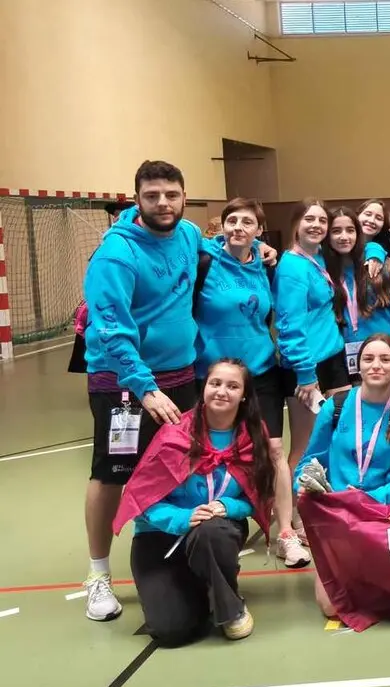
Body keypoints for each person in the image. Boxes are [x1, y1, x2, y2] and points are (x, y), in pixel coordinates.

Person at [81, 160, 204, 622]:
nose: (163, 203)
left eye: (171, 194)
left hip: (180, 373)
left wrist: (263, 251)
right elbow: (110, 330)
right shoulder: (116, 255)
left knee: (180, 463)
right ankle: (98, 575)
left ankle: (170, 553)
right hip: (124, 385)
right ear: (137, 199)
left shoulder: (189, 235)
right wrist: (144, 388)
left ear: (184, 196)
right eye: (152, 196)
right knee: (113, 472)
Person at [113, 358, 275, 645]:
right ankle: (202, 587)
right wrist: (181, 518)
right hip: (160, 538)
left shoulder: (252, 435)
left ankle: (230, 606)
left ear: (244, 394)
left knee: (212, 530)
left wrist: (229, 506)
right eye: (215, 383)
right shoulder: (174, 434)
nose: (222, 391)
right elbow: (142, 497)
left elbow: (258, 495)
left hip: (213, 533)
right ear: (204, 388)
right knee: (172, 631)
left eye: (232, 386)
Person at [194, 198, 310, 568]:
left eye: (247, 222)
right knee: (210, 453)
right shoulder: (205, 261)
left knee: (275, 452)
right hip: (215, 376)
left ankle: (285, 535)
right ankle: (207, 528)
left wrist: (265, 254)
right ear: (222, 226)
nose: (238, 227)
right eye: (232, 220)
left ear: (260, 231)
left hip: (261, 371)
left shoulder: (264, 265)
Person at [295, 334, 390, 617]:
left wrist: (363, 498)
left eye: (385, 359)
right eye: (368, 359)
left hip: (381, 514)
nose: (376, 366)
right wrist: (304, 484)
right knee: (331, 607)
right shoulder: (336, 406)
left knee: (386, 599)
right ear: (359, 365)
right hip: (336, 514)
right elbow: (310, 460)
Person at [273, 198, 352, 486]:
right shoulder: (292, 266)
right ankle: (294, 515)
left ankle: (324, 506)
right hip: (306, 366)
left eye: (321, 220)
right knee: (305, 446)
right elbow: (288, 325)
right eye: (309, 219)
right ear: (296, 224)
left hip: (333, 359)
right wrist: (306, 375)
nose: (316, 225)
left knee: (337, 435)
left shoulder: (319, 258)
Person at [323, 207, 390, 384]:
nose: (344, 237)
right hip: (348, 362)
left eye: (350, 230)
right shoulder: (323, 270)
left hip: (388, 356)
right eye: (336, 231)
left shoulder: (381, 265)